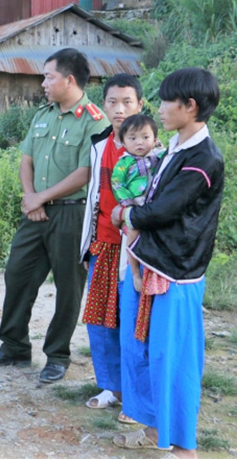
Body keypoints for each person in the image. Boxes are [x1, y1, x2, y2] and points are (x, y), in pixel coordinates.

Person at [0, 48, 109, 383]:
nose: (43, 83)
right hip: (35, 214)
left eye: (49, 76)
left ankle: (58, 355)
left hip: (71, 215)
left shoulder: (95, 121)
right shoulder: (43, 115)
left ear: (70, 79)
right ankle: (14, 346)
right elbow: (27, 159)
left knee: (68, 287)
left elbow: (85, 173)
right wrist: (29, 197)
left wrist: (41, 198)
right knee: (17, 274)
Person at [112, 68, 224, 457]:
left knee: (172, 357)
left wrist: (126, 216)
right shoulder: (174, 147)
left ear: (189, 106)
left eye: (165, 101)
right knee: (141, 347)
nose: (157, 109)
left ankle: (183, 445)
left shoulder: (203, 159)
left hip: (176, 271)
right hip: (150, 260)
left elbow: (162, 211)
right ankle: (152, 427)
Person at [78, 74, 144, 422]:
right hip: (102, 245)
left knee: (133, 320)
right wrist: (87, 247)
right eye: (113, 102)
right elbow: (93, 199)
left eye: (127, 102)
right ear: (103, 105)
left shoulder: (151, 148)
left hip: (134, 248)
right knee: (100, 321)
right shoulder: (100, 144)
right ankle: (110, 387)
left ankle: (136, 392)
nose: (120, 110)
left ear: (140, 105)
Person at [111, 114, 163, 290]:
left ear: (155, 139)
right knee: (132, 234)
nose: (139, 142)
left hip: (155, 205)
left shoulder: (161, 156)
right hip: (134, 205)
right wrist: (127, 202)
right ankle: (134, 273)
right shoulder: (124, 163)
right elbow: (117, 182)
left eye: (145, 137)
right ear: (124, 141)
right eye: (132, 138)